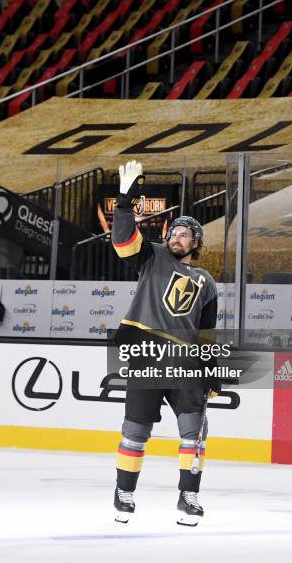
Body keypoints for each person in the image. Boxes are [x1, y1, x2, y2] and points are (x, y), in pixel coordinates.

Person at [111, 160, 219, 526]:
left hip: (186, 363)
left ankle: (188, 497)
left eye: (185, 234)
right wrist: (124, 203)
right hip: (147, 355)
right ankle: (123, 492)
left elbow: (207, 333)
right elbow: (122, 241)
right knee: (136, 431)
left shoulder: (206, 281)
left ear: (197, 243)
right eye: (174, 231)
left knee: (195, 432)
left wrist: (212, 375)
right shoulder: (151, 256)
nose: (177, 236)